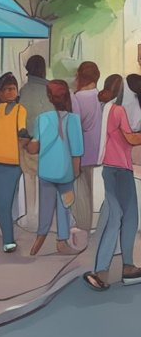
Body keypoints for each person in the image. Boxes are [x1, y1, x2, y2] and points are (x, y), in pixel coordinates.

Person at [83, 75, 141, 290]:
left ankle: (127, 267)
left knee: (130, 218)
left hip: (116, 169)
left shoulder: (105, 108)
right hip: (118, 169)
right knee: (117, 217)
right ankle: (100, 271)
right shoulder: (118, 111)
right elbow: (131, 138)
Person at [27, 80, 84, 257]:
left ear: (49, 98)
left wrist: (25, 144)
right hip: (66, 173)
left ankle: (40, 236)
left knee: (45, 206)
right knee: (64, 207)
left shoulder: (42, 119)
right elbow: (76, 151)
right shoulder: (74, 120)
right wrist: (76, 172)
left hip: (46, 172)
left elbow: (34, 148)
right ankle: (62, 241)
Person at [0, 73, 29, 252]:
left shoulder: (20, 109)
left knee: (6, 202)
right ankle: (8, 238)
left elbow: (22, 131)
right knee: (1, 203)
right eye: (7, 89)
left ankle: (8, 238)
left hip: (13, 163)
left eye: (13, 89)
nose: (11, 92)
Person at [18, 56, 52, 232]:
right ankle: (45, 216)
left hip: (28, 141)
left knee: (29, 179)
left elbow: (21, 119)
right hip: (48, 142)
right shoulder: (50, 90)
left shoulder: (24, 91)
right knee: (46, 181)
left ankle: (31, 216)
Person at [72, 61, 103, 234]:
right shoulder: (100, 96)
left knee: (81, 189)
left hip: (82, 148)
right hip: (97, 147)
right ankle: (91, 223)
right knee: (92, 187)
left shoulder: (77, 98)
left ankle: (83, 225)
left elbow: (75, 126)